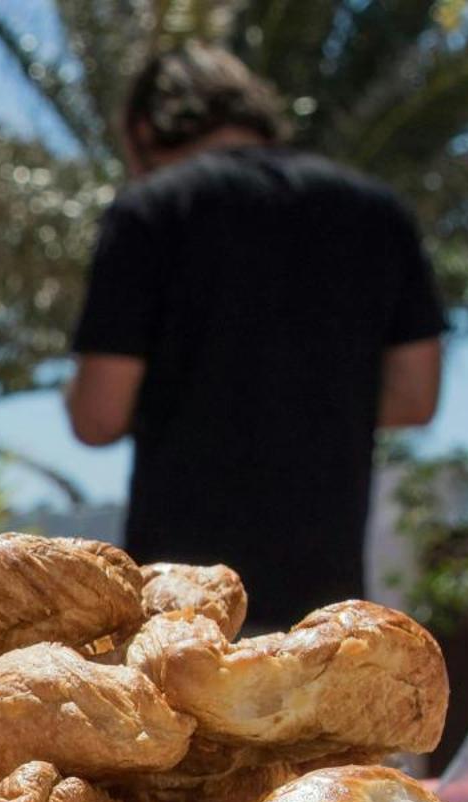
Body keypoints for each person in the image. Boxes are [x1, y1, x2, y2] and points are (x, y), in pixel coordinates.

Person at [64, 44, 446, 631]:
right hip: (326, 612)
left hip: (184, 610)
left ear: (143, 130)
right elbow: (416, 397)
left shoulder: (150, 210)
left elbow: (97, 416)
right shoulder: (377, 211)